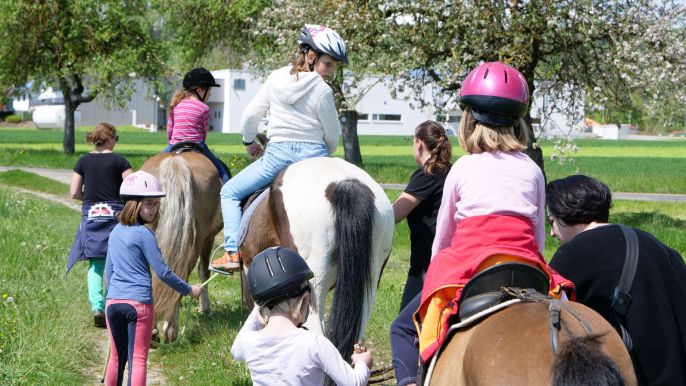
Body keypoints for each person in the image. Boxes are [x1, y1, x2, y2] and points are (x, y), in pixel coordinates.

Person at [390, 62, 573, 386]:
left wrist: (437, 273)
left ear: (469, 120)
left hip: (471, 269)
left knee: (403, 328)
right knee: (569, 312)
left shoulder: (463, 168)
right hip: (525, 265)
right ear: (518, 122)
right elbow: (538, 237)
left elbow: (443, 239)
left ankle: (414, 380)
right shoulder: (532, 169)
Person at [211, 24, 347, 273]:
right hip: (314, 158)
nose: (330, 72)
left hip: (276, 156)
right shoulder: (322, 90)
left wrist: (249, 141)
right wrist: (326, 151)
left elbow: (250, 116)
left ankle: (232, 252)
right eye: (329, 64)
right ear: (309, 56)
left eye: (335, 66)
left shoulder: (275, 79)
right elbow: (332, 136)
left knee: (229, 192)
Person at [547, 175, 686, 386]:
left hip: (636, 374)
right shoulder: (653, 243)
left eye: (552, 221)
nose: (552, 232)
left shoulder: (572, 254)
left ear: (564, 214)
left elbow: (549, 321)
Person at [104, 171, 202, 386]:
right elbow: (163, 272)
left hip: (113, 304)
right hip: (138, 305)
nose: (154, 208)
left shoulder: (115, 231)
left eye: (156, 204)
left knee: (116, 357)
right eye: (149, 203)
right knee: (138, 359)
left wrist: (111, 298)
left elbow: (108, 272)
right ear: (134, 204)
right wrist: (189, 290)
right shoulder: (144, 234)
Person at [232, 246, 373, 385]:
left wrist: (259, 306)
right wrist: (362, 363)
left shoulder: (248, 342)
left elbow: (235, 350)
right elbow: (354, 382)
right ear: (304, 299)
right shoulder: (315, 344)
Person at [66, 122, 132, 328]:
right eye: (116, 138)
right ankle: (111, 307)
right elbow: (132, 187)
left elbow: (74, 192)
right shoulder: (120, 161)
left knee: (95, 264)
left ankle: (97, 306)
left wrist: (91, 198)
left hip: (92, 215)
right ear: (110, 138)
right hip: (114, 215)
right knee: (115, 262)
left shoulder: (83, 160)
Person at [392, 120, 452, 310]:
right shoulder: (450, 170)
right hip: (451, 260)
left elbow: (394, 215)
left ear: (419, 144)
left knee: (405, 327)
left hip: (427, 266)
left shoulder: (427, 174)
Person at [164, 67, 230, 183]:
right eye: (209, 90)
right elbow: (203, 133)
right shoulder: (204, 108)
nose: (210, 94)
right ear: (199, 90)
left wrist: (171, 143)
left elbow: (170, 130)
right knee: (222, 170)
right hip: (197, 144)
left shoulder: (176, 104)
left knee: (150, 169)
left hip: (174, 144)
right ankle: (228, 187)